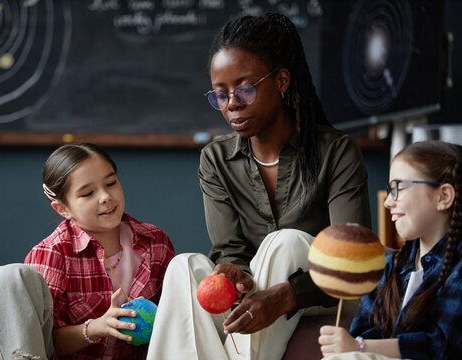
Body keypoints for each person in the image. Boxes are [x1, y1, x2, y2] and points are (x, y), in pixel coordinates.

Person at [147, 13, 371, 360]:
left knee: (285, 242)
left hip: (317, 289)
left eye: (245, 88)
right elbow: (230, 249)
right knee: (184, 266)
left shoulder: (336, 151)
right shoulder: (216, 159)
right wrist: (233, 272)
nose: (232, 104)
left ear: (281, 81)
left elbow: (352, 259)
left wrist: (284, 296)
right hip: (252, 290)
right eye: (220, 95)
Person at [0, 143, 175, 360]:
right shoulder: (52, 254)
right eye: (88, 193)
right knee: (10, 275)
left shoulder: (155, 241)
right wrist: (96, 327)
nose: (105, 197)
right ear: (62, 208)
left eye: (111, 183)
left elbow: (174, 318)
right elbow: (46, 342)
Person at [318, 140, 462, 360]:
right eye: (389, 190)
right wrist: (355, 345)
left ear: (443, 196)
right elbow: (362, 333)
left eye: (399, 188)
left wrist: (361, 348)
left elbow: (439, 345)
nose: (388, 203)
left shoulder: (458, 269)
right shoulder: (388, 267)